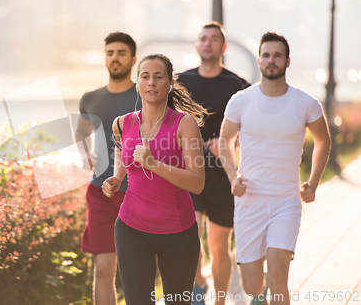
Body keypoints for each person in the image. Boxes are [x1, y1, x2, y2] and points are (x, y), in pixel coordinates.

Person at [219, 32, 331, 305]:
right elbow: (224, 142)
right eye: (266, 55)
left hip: (286, 201)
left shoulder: (305, 103)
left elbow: (323, 141)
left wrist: (313, 182)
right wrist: (233, 177)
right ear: (259, 60)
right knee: (252, 287)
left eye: (277, 55)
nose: (271, 60)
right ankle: (261, 290)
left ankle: (274, 283)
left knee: (278, 276)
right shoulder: (241, 101)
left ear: (287, 61)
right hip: (249, 201)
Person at [102, 54, 208, 305]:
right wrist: (117, 177)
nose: (151, 83)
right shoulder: (121, 123)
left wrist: (153, 164)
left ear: (170, 83)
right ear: (137, 83)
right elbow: (121, 148)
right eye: (145, 77)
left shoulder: (185, 124)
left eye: (158, 77)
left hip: (178, 233)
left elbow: (197, 183)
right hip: (131, 228)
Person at [177, 21, 250, 305]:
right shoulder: (180, 83)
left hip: (223, 177)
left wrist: (228, 147)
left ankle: (220, 301)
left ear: (223, 47)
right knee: (190, 241)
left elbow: (249, 133)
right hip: (188, 173)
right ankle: (198, 289)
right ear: (197, 46)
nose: (208, 43)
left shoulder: (238, 86)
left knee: (219, 247)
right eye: (203, 39)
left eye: (214, 39)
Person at [75, 32, 141, 305]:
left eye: (121, 53)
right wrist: (85, 153)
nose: (115, 58)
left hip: (139, 193)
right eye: (110, 53)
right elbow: (81, 132)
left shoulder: (143, 95)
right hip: (100, 192)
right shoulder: (91, 98)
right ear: (105, 58)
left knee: (136, 271)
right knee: (103, 269)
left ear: (133, 59)